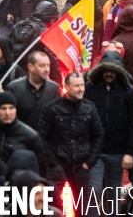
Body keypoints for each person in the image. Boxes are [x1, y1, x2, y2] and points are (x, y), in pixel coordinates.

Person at [38, 72, 104, 216]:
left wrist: (89, 163)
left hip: (81, 166)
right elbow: (42, 137)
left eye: (82, 85)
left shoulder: (90, 108)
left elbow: (99, 136)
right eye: (76, 86)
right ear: (66, 87)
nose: (81, 89)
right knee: (52, 207)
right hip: (57, 166)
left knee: (82, 209)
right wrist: (53, 163)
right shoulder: (51, 108)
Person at [84, 50, 133, 208]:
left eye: (112, 71)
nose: (109, 74)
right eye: (106, 70)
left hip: (117, 151)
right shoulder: (91, 89)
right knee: (94, 190)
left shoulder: (128, 91)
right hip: (95, 150)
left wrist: (130, 152)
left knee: (114, 192)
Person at [0, 92, 46, 176]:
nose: (8, 113)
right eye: (3, 108)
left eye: (11, 108)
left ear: (16, 110)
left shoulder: (30, 136)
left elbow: (41, 167)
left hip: (17, 183)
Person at [6, 51, 60, 131]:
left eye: (48, 65)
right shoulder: (14, 88)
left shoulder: (54, 88)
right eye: (42, 66)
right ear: (30, 67)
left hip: (45, 140)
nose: (47, 69)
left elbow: (58, 117)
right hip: (21, 139)